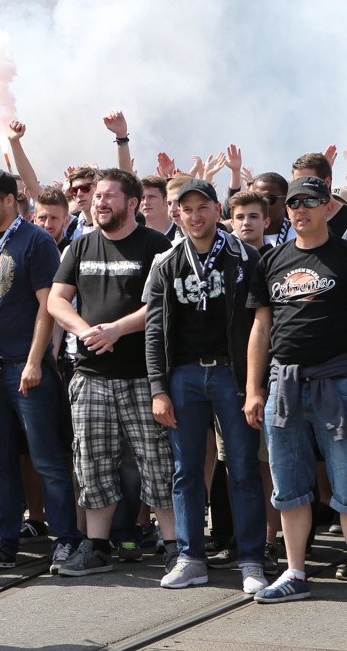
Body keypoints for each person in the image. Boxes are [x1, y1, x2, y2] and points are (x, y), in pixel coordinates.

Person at [47, 168, 177, 577]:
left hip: (144, 376)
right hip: (90, 377)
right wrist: (86, 331)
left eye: (108, 196)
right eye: (97, 196)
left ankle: (175, 547)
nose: (99, 202)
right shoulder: (80, 247)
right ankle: (97, 548)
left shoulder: (157, 246)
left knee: (157, 463)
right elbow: (56, 300)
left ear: (133, 203)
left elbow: (162, 304)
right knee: (92, 464)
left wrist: (118, 329)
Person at [144, 179, 267, 593]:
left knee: (244, 469)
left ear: (218, 210)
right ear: (177, 213)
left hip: (231, 374)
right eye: (186, 208)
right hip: (183, 376)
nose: (195, 216)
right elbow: (154, 331)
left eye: (203, 208)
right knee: (186, 471)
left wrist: (254, 385)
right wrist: (158, 389)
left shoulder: (247, 257)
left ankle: (251, 560)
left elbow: (259, 326)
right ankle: (190, 557)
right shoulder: (166, 262)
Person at [0, 169, 82, 571]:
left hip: (23, 369)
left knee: (46, 458)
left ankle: (66, 539)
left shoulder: (37, 241)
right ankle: (3, 542)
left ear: (9, 200)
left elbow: (49, 305)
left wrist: (34, 361)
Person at [245, 175, 347, 602]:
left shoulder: (344, 256)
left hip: (338, 383)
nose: (301, 209)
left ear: (328, 207)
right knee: (288, 487)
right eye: (294, 203)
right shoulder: (270, 261)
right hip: (283, 386)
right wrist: (254, 389)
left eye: (311, 201)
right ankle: (295, 573)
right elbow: (261, 327)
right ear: (284, 211)